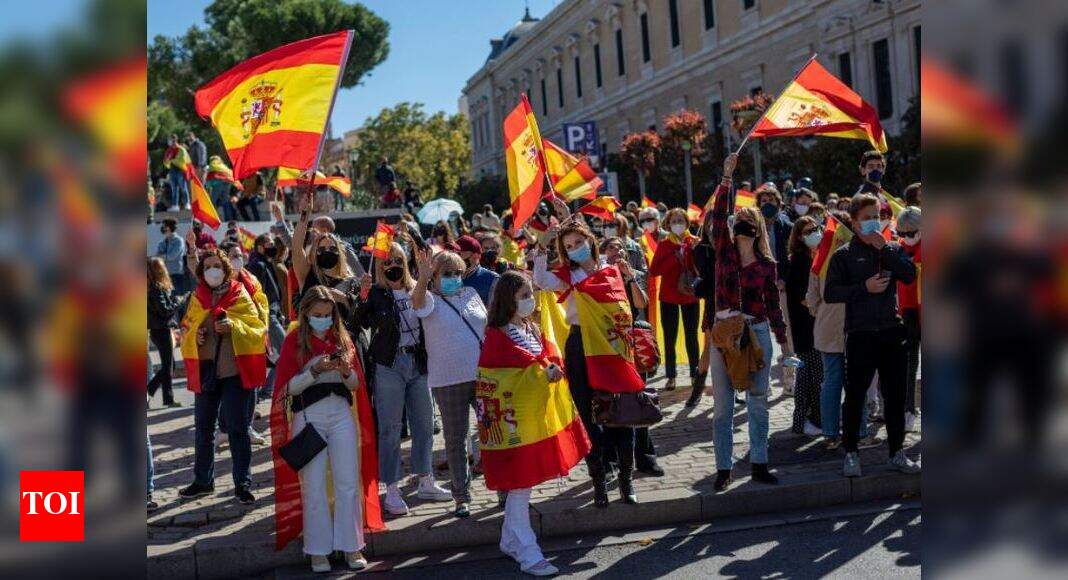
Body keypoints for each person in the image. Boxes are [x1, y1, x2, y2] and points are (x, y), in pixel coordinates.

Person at [533, 200, 646, 507]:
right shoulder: (566, 277)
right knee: (587, 414)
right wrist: (544, 245)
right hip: (581, 345)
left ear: (590, 241)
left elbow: (634, 305)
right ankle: (599, 479)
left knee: (622, 412)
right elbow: (539, 280)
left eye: (579, 242)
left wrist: (629, 274)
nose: (575, 248)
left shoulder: (611, 270)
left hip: (612, 345)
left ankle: (626, 479)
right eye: (568, 246)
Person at [479, 271, 590, 577]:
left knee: (522, 484)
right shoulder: (497, 336)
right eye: (523, 295)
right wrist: (543, 373)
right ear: (507, 300)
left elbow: (538, 360)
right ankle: (528, 552)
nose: (530, 300)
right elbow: (503, 377)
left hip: (530, 419)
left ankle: (509, 540)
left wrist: (547, 368)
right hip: (512, 425)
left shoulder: (529, 327)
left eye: (530, 294)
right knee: (519, 486)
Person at [269, 286, 382, 573]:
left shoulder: (342, 338)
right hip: (308, 418)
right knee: (315, 485)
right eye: (318, 314)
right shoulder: (294, 340)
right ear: (305, 313)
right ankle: (317, 550)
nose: (324, 319)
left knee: (347, 482)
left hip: (342, 414)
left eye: (328, 314)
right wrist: (314, 371)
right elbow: (286, 389)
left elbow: (356, 385)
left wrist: (345, 371)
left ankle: (351, 545)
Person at [824, 193, 920, 477]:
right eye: (867, 218)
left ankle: (896, 452)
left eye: (877, 216)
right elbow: (831, 293)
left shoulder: (890, 248)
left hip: (892, 332)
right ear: (854, 222)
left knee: (895, 396)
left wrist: (886, 250)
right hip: (860, 333)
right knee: (854, 396)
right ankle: (851, 453)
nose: (873, 222)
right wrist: (864, 287)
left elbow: (909, 275)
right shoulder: (843, 255)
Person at [708, 153, 787, 491]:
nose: (740, 224)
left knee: (758, 402)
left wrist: (786, 346)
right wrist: (727, 176)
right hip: (725, 333)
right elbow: (718, 214)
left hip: (756, 332)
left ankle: (759, 463)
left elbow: (774, 308)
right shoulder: (724, 252)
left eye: (747, 222)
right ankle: (723, 469)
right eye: (737, 219)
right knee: (723, 407)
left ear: (757, 231)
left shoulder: (767, 266)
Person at [355, 242, 452, 515]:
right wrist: (362, 296)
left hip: (418, 362)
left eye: (397, 260)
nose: (392, 266)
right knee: (390, 428)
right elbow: (358, 323)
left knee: (424, 424)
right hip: (389, 364)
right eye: (386, 262)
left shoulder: (416, 288)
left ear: (405, 261)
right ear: (379, 267)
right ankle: (392, 488)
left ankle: (425, 479)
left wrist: (424, 275)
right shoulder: (376, 293)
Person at [177, 248, 267, 504]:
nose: (212, 271)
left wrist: (233, 326)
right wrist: (195, 335)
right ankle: (203, 481)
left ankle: (242, 483)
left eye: (217, 265)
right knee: (203, 429)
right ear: (201, 272)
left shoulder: (239, 294)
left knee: (238, 429)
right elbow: (185, 328)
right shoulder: (197, 297)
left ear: (226, 268)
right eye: (207, 267)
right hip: (207, 372)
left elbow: (257, 327)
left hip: (234, 372)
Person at [410, 248, 487, 517]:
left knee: (491, 434)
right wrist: (422, 278)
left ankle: (503, 488)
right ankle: (461, 496)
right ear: (435, 277)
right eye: (447, 274)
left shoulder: (471, 294)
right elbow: (416, 303)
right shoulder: (430, 299)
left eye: (458, 272)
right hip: (449, 380)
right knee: (455, 440)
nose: (454, 277)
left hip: (483, 377)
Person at [805, 211, 878, 450]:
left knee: (833, 379)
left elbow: (812, 298)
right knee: (854, 381)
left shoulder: (822, 256)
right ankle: (859, 432)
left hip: (829, 326)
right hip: (854, 324)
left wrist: (824, 313)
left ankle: (830, 433)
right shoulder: (853, 256)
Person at [648, 208, 702, 392]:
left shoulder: (694, 242)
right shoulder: (664, 244)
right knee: (670, 338)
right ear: (668, 224)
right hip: (669, 297)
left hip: (690, 295)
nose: (677, 224)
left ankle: (696, 374)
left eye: (681, 220)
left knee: (691, 336)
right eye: (674, 221)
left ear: (687, 223)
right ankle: (671, 376)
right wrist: (674, 257)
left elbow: (701, 267)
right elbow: (654, 270)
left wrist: (691, 253)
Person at [785, 216, 823, 436]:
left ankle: (807, 419)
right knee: (811, 376)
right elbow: (802, 296)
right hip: (806, 327)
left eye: (816, 229)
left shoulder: (812, 256)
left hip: (811, 325)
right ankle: (807, 420)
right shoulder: (801, 260)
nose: (814, 233)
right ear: (799, 236)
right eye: (808, 231)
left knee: (810, 375)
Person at [895, 207, 922, 432]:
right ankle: (909, 409)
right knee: (909, 363)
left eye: (911, 232)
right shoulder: (898, 250)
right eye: (902, 233)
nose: (907, 237)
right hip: (908, 311)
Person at [691, 211, 717, 409]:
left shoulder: (731, 247)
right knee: (708, 347)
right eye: (712, 222)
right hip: (712, 303)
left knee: (730, 348)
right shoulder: (701, 248)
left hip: (732, 304)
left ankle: (730, 389)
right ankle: (697, 390)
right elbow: (707, 275)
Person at [148, 257, 180, 407]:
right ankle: (151, 392)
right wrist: (178, 302)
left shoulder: (150, 287)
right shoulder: (156, 288)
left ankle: (167, 398)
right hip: (162, 329)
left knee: (169, 365)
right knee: (168, 366)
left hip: (157, 330)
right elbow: (165, 310)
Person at [456, 235, 500, 305]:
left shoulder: (492, 279)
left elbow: (494, 310)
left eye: (462, 254)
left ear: (477, 255)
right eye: (457, 254)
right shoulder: (449, 276)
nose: (459, 260)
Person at [156, 218, 188, 295]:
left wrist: (162, 256)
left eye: (164, 226)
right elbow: (157, 256)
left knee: (177, 297)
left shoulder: (178, 240)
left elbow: (172, 256)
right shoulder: (162, 242)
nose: (162, 228)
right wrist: (162, 256)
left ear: (170, 227)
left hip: (176, 274)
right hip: (165, 274)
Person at [205, 156, 239, 222]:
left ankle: (210, 219)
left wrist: (207, 187)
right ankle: (229, 219)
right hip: (227, 183)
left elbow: (209, 178)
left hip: (218, 184)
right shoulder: (223, 165)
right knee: (225, 202)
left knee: (212, 202)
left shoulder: (212, 165)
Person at [162, 134, 190, 210]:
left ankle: (187, 203)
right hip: (172, 171)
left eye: (170, 140)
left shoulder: (181, 149)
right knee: (174, 189)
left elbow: (182, 160)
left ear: (174, 140)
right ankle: (175, 205)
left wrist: (171, 160)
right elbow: (165, 161)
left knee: (183, 188)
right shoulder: (169, 150)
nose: (169, 141)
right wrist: (167, 162)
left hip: (180, 170)